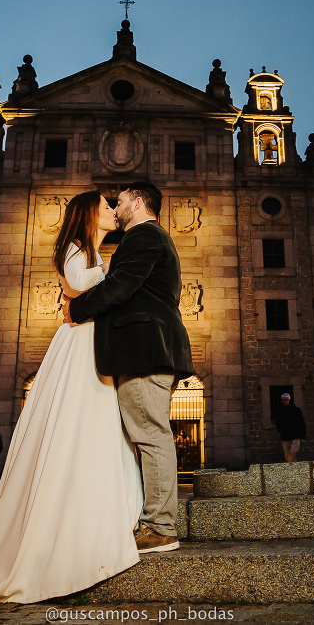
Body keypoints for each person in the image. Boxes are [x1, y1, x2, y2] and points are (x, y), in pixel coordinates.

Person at [0, 189, 143, 603]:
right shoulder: (75, 248)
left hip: (90, 339)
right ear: (90, 212)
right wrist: (112, 276)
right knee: (81, 423)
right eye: (107, 206)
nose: (113, 211)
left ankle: (100, 518)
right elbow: (75, 282)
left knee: (98, 428)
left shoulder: (91, 250)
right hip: (79, 345)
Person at [66, 181, 194, 554]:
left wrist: (74, 310)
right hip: (148, 347)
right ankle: (152, 519)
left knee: (151, 435)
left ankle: (160, 527)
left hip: (144, 348)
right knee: (147, 434)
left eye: (119, 202)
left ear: (137, 203)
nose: (115, 208)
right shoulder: (152, 238)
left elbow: (121, 287)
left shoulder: (143, 237)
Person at [274, 392, 306, 462]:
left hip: (295, 436)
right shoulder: (280, 412)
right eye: (283, 400)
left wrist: (301, 435)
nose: (284, 402)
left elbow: (301, 422)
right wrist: (281, 431)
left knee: (293, 453)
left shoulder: (297, 411)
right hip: (285, 436)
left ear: (289, 400)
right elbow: (278, 423)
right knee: (287, 456)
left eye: (286, 400)